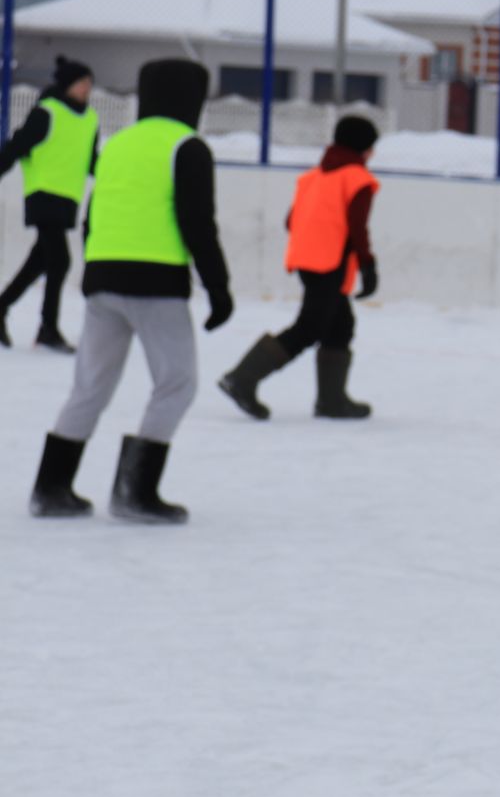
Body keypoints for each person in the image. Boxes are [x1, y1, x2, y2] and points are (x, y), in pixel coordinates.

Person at [29, 58, 233, 524]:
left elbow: (93, 214)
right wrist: (218, 287)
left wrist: (95, 266)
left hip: (102, 279)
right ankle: (135, 492)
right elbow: (197, 223)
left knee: (90, 386)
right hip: (157, 284)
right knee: (176, 383)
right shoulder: (187, 146)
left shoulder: (118, 144)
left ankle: (51, 487)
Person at [217, 117, 382, 422]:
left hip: (306, 259)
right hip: (330, 263)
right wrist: (369, 266)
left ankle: (332, 400)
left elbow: (291, 221)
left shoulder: (314, 177)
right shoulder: (358, 179)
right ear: (364, 148)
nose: (373, 154)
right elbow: (357, 229)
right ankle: (242, 378)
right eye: (372, 147)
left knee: (340, 325)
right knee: (309, 328)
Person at [0, 56, 99, 352]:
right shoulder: (47, 113)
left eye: (89, 84)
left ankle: (3, 306)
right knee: (60, 260)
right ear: (67, 84)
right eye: (82, 83)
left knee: (41, 260)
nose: (87, 89)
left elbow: (91, 160)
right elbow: (17, 146)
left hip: (68, 199)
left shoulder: (90, 118)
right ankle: (48, 329)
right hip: (43, 195)